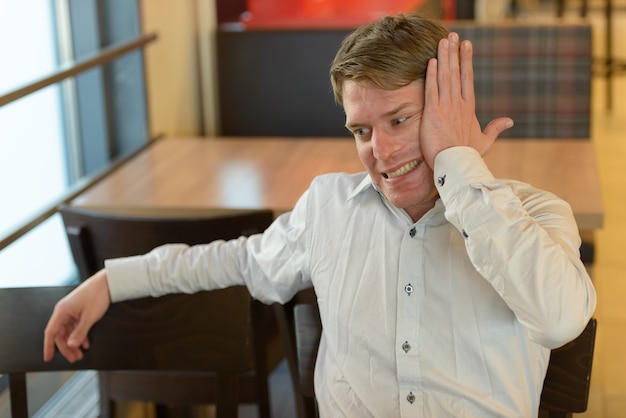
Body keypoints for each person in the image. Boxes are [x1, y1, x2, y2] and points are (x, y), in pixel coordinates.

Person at [44, 13, 596, 417]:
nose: (379, 150)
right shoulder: (328, 207)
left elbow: (558, 319)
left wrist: (458, 163)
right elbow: (236, 260)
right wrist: (112, 279)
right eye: (361, 130)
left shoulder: (534, 214)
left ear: (452, 111)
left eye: (401, 120)